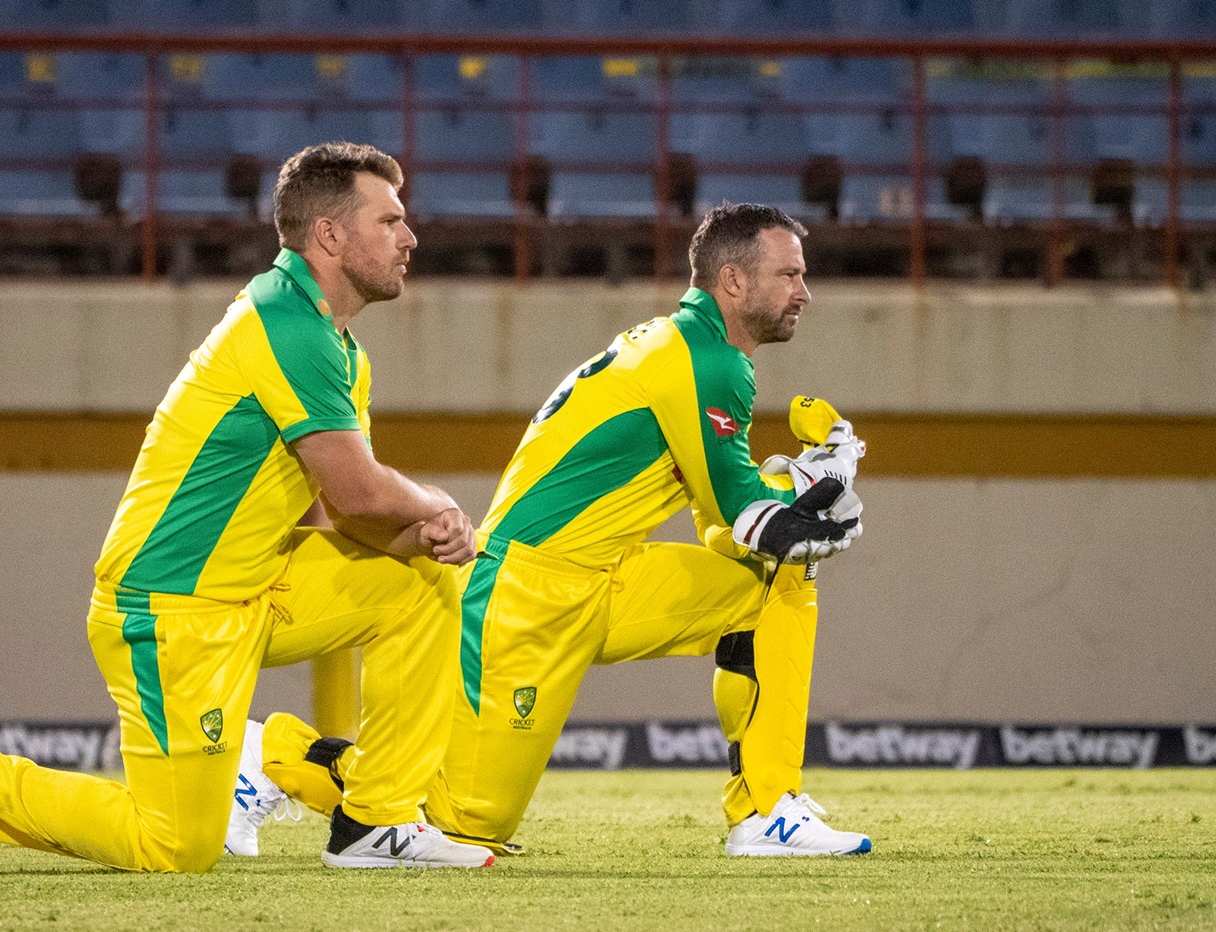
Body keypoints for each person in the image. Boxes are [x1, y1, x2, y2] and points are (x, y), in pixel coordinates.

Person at [0, 142, 495, 873]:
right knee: (175, 845)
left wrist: (419, 535)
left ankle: (373, 820)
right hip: (171, 607)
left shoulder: (335, 343)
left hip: (254, 584)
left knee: (424, 581)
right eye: (390, 219)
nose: (410, 236)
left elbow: (351, 513)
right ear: (330, 235)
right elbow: (362, 490)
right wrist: (439, 504)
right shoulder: (288, 325)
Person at [244, 203, 872, 859]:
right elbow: (740, 514)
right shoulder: (704, 360)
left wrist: (803, 486)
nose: (803, 291)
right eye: (789, 274)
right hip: (528, 590)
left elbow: (724, 519)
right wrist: (813, 482)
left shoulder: (695, 349)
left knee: (775, 584)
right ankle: (275, 755)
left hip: (607, 575)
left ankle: (767, 812)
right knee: (465, 820)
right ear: (735, 281)